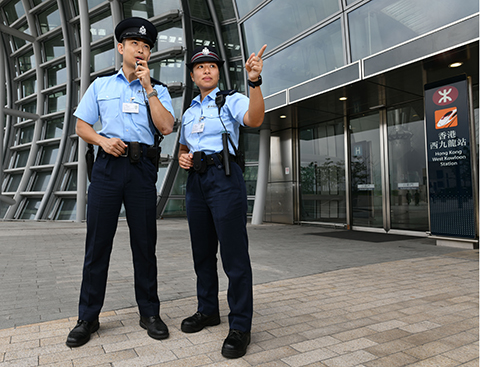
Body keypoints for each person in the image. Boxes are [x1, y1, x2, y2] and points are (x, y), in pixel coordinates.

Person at [66, 17, 175, 348]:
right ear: (120, 48)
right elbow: (81, 126)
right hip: (108, 169)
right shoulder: (101, 85)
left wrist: (149, 89)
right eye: (134, 44)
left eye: (146, 47)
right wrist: (101, 141)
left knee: (144, 244)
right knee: (97, 244)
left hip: (141, 170)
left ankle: (150, 313)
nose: (140, 50)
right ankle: (88, 317)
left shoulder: (158, 89)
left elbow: (167, 127)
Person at [178, 43, 267, 358]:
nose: (206, 70)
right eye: (200, 67)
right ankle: (208, 309)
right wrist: (182, 159)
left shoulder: (230, 99)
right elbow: (182, 148)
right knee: (202, 253)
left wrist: (254, 82)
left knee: (234, 256)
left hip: (224, 178)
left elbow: (254, 119)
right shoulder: (189, 111)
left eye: (212, 66)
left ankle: (240, 325)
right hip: (196, 183)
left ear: (218, 72)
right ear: (192, 74)